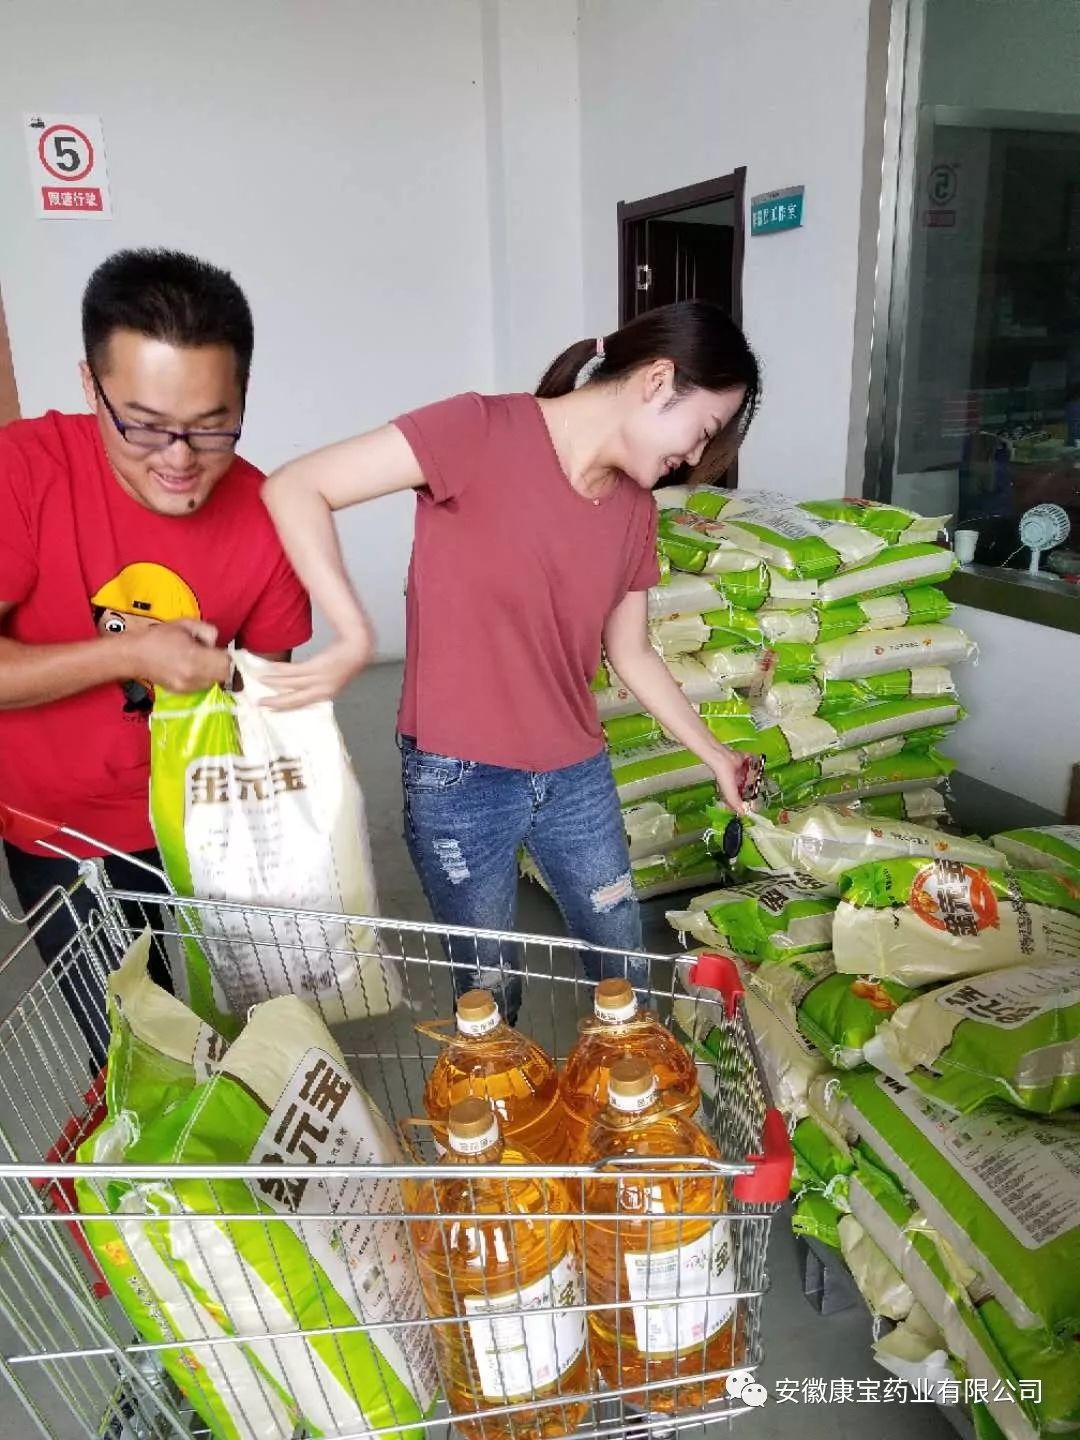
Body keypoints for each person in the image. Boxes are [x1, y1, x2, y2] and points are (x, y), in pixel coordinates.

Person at [261, 299, 759, 1020]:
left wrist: (715, 755)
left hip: (575, 774)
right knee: (487, 990)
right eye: (703, 430)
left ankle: (628, 1085)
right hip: (459, 779)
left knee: (623, 965)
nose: (692, 457)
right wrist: (354, 632)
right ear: (657, 381)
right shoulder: (478, 431)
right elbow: (295, 486)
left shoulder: (634, 512)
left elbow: (631, 652)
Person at [0, 249, 312, 1062]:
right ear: (89, 384)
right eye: (142, 424)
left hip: (210, 822)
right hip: (65, 838)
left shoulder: (268, 514)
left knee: (257, 1033)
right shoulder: (24, 472)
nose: (178, 457)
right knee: (144, 1051)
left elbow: (268, 698)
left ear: (243, 395)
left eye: (211, 425)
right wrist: (129, 654)